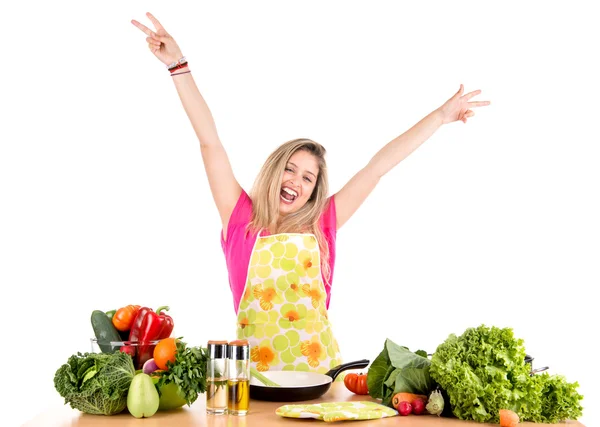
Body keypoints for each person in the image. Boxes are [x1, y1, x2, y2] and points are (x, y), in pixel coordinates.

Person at [131, 12, 490, 373]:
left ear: (314, 189)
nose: (296, 182)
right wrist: (178, 66)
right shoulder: (240, 217)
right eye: (289, 169)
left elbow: (378, 167)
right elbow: (210, 142)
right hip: (250, 379)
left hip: (320, 377)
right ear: (274, 170)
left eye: (308, 177)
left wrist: (440, 117)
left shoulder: (323, 223)